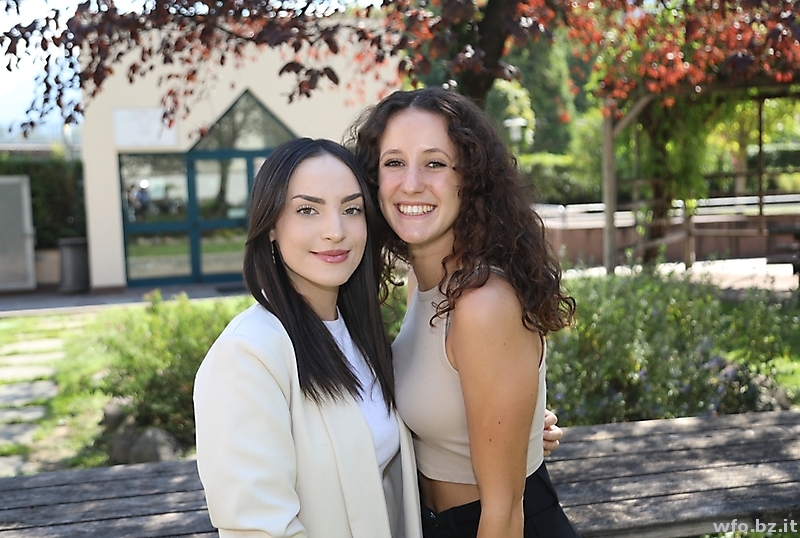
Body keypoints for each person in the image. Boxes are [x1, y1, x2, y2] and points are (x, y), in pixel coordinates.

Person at [350, 87, 580, 538]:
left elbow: (504, 511)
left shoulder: (482, 302)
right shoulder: (425, 284)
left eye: (435, 163)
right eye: (394, 162)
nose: (410, 183)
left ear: (470, 179)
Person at [193, 137, 423, 538]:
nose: (335, 231)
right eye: (307, 210)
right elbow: (258, 528)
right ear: (270, 227)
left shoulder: (358, 337)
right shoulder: (247, 356)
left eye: (351, 209)